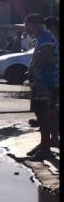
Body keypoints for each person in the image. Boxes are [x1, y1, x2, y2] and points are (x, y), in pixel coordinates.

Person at [25, 14, 59, 158]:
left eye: (27, 25)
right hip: (46, 80)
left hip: (46, 81)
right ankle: (45, 144)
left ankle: (45, 148)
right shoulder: (42, 37)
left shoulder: (45, 36)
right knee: (44, 113)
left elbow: (46, 53)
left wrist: (33, 68)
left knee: (43, 113)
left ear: (34, 24)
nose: (26, 28)